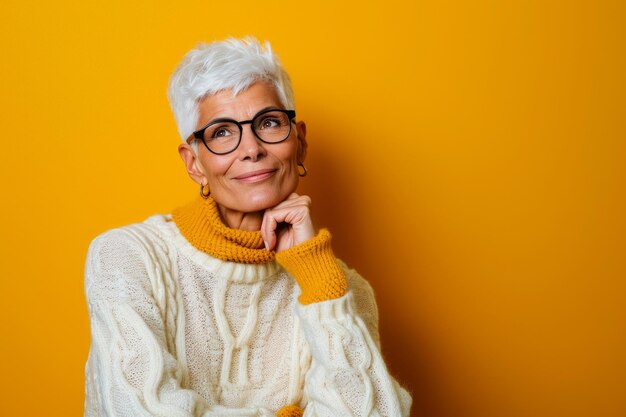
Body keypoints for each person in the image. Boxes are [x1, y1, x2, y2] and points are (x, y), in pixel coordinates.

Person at [83, 36, 412, 417]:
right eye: (222, 132)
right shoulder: (128, 257)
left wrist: (318, 280)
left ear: (299, 143)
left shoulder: (340, 291)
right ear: (194, 163)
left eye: (268, 123)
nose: (250, 148)